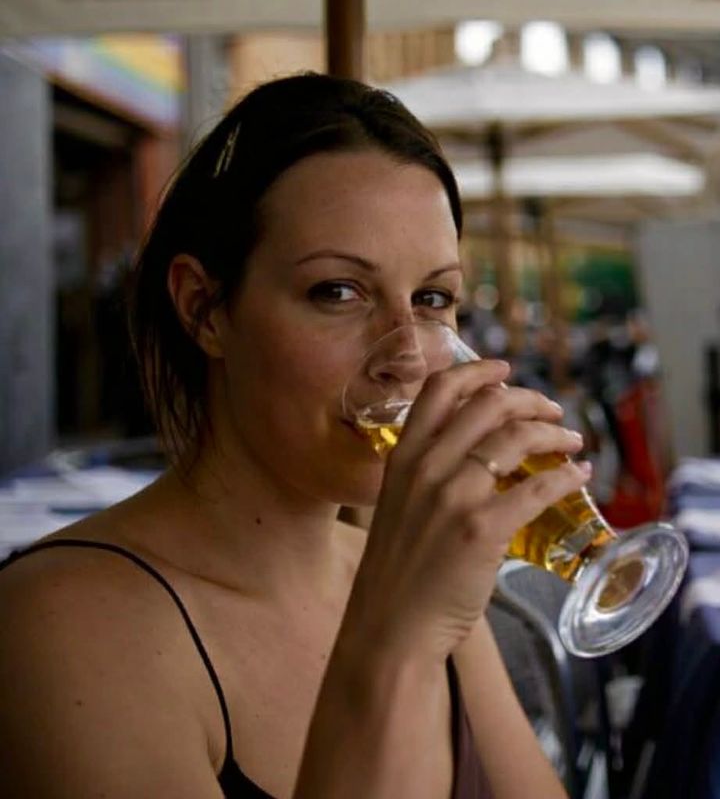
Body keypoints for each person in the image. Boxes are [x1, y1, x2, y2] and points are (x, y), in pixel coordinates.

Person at [0, 73, 588, 798]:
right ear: (204, 309)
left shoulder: (401, 563)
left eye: (433, 298)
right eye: (338, 291)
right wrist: (395, 642)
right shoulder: (64, 626)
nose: (407, 353)